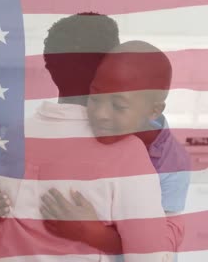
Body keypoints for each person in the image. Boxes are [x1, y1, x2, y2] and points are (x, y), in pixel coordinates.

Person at [0, 14, 173, 262]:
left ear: (49, 67)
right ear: (109, 65)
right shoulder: (126, 151)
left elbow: (3, 214)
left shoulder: (18, 133)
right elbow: (149, 256)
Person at [39, 41, 191, 259]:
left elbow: (158, 249)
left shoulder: (172, 164)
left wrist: (91, 232)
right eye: (94, 98)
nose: (100, 114)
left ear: (153, 110)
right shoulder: (87, 129)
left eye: (118, 106)